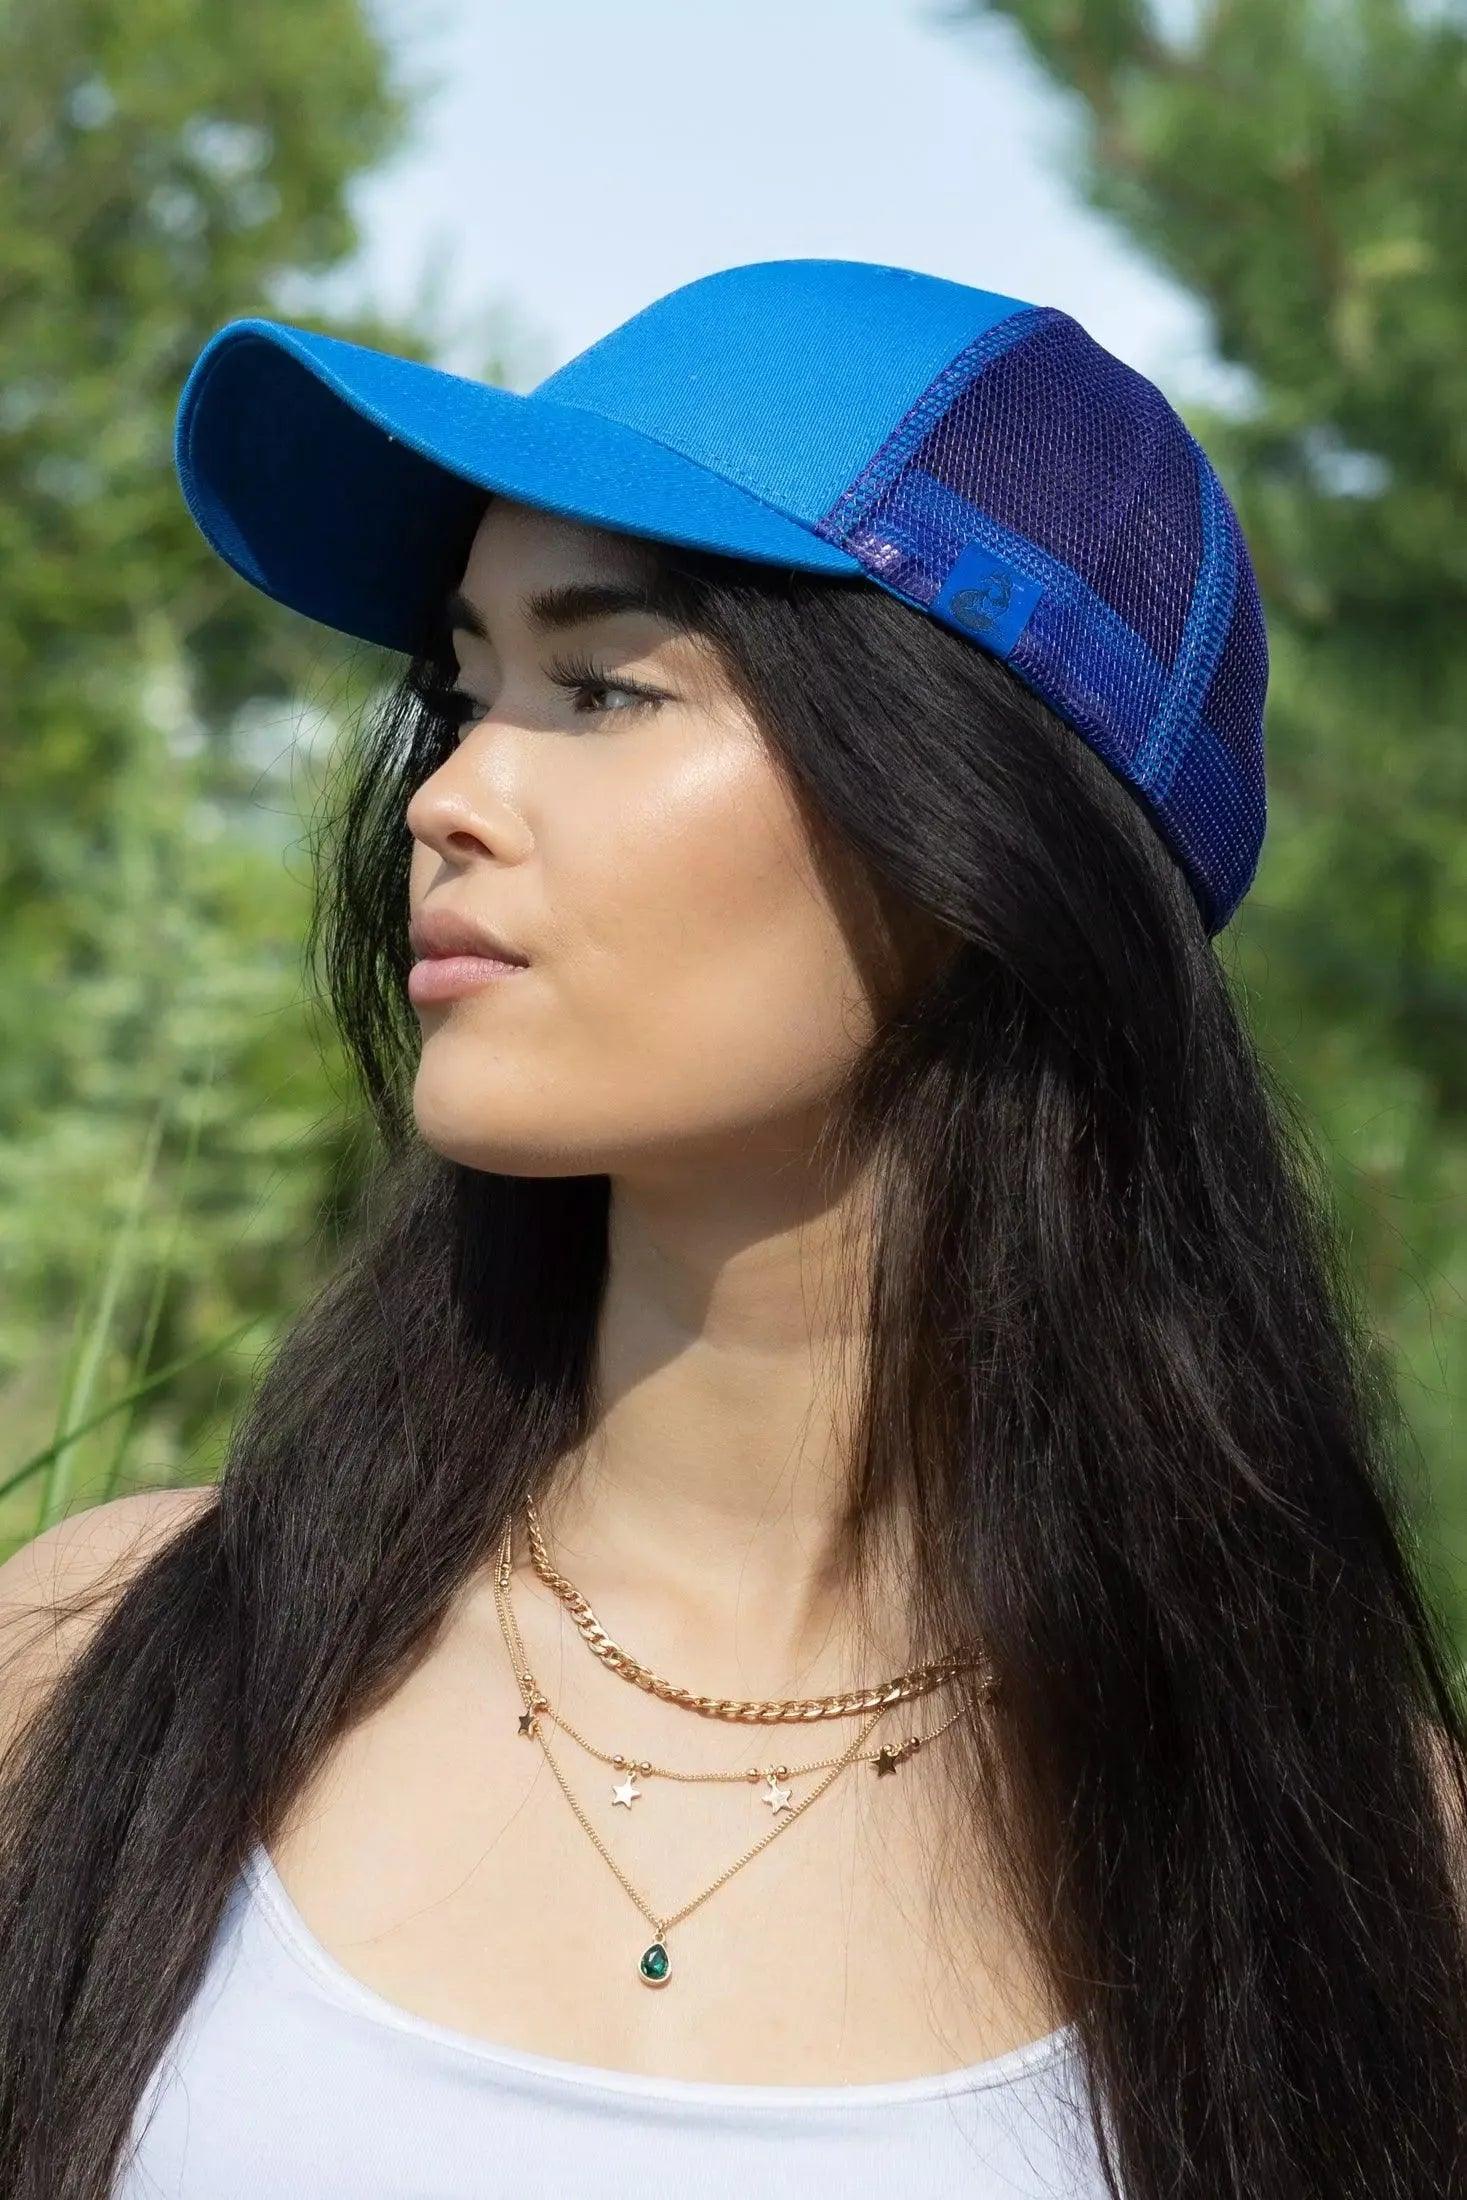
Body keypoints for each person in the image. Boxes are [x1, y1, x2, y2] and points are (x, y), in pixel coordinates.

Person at [1, 258, 1463, 2199]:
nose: (447, 793)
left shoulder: (1355, 1859)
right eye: (460, 689)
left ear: (976, 833)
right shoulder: (93, 1660)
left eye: (602, 687)